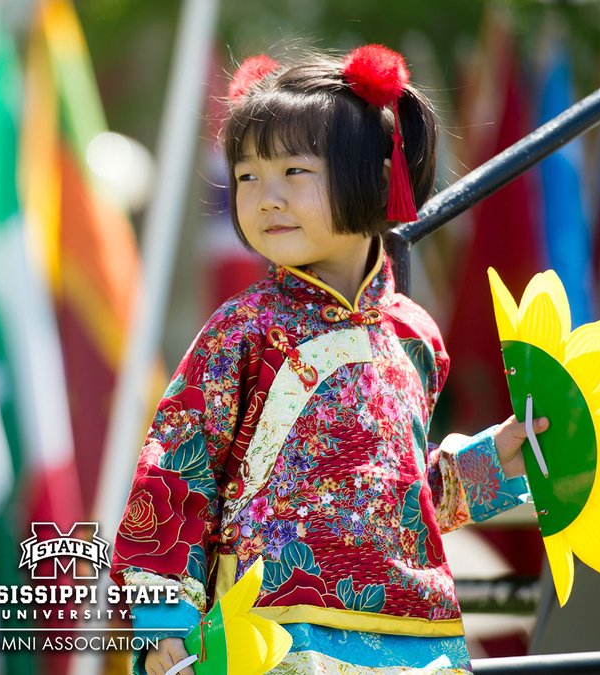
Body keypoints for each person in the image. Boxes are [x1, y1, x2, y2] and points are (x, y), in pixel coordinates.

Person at [110, 45, 548, 675]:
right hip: (273, 642)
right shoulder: (242, 331)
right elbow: (172, 482)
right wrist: (161, 626)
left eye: (293, 172)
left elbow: (398, 502)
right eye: (247, 176)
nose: (264, 197)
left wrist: (489, 461)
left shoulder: (414, 338)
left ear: (374, 175)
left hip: (417, 643)